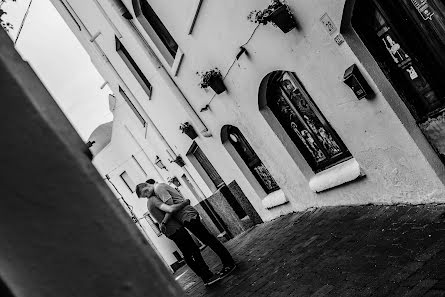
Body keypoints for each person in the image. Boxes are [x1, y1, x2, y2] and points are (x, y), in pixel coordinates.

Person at [145, 179, 237, 278]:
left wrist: (163, 222)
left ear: (150, 184)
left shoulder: (158, 188)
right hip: (186, 217)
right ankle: (228, 262)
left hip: (187, 216)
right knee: (209, 240)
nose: (147, 194)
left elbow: (171, 206)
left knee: (209, 240)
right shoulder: (160, 188)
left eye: (146, 190)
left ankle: (229, 263)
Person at [135, 183, 221, 286]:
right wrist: (185, 203)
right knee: (194, 251)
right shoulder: (153, 199)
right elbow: (170, 209)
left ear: (147, 185)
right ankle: (207, 276)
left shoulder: (149, 203)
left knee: (187, 254)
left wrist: (163, 223)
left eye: (146, 192)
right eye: (144, 195)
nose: (147, 195)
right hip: (176, 229)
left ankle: (204, 277)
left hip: (171, 231)